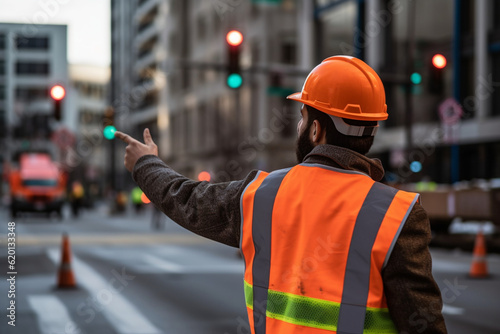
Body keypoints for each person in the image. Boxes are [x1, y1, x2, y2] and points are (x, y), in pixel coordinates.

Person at [115, 56, 447, 333]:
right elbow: (423, 324)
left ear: (317, 130)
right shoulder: (398, 214)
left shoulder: (262, 195)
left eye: (303, 119)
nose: (300, 128)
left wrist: (146, 163)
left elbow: (185, 199)